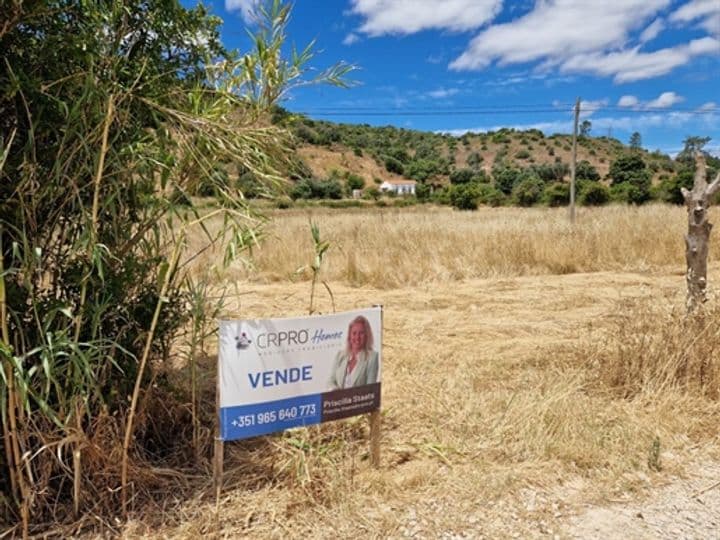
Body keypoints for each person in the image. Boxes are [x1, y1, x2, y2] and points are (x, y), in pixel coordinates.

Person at [327, 315, 379, 389]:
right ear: (349, 336)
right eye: (354, 333)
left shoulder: (372, 357)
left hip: (359, 400)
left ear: (367, 335)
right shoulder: (340, 355)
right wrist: (335, 391)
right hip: (337, 399)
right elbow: (330, 381)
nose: (357, 337)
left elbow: (370, 390)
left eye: (361, 333)